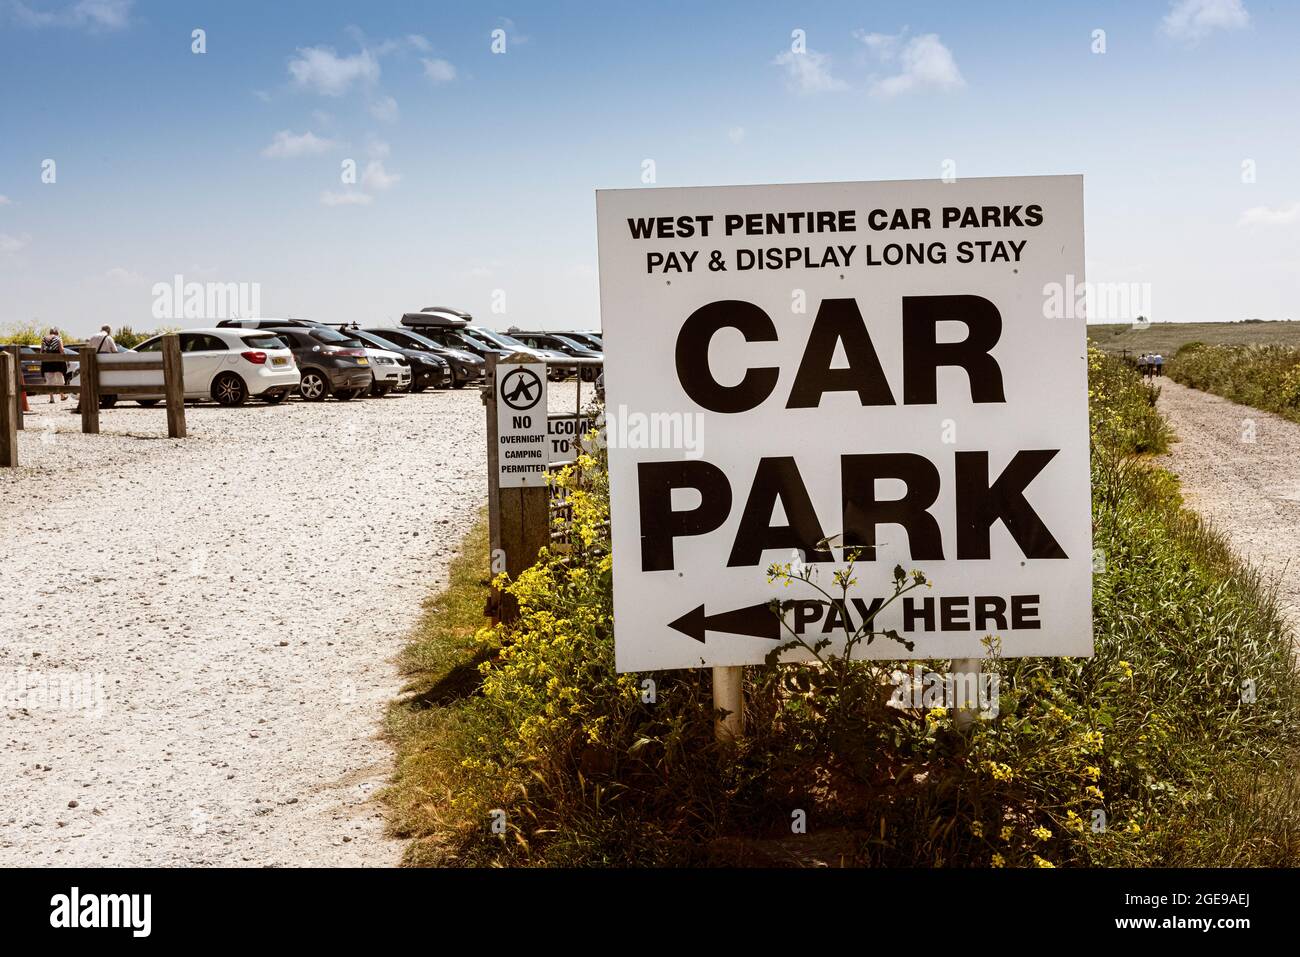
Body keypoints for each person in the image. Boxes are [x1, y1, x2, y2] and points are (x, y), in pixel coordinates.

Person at [39, 327, 68, 403]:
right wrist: (65, 359)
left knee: (49, 379)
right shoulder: (58, 338)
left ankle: (51, 398)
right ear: (57, 333)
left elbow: (41, 351)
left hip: (47, 361)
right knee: (59, 378)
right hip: (57, 361)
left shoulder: (44, 339)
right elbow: (61, 350)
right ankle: (62, 395)